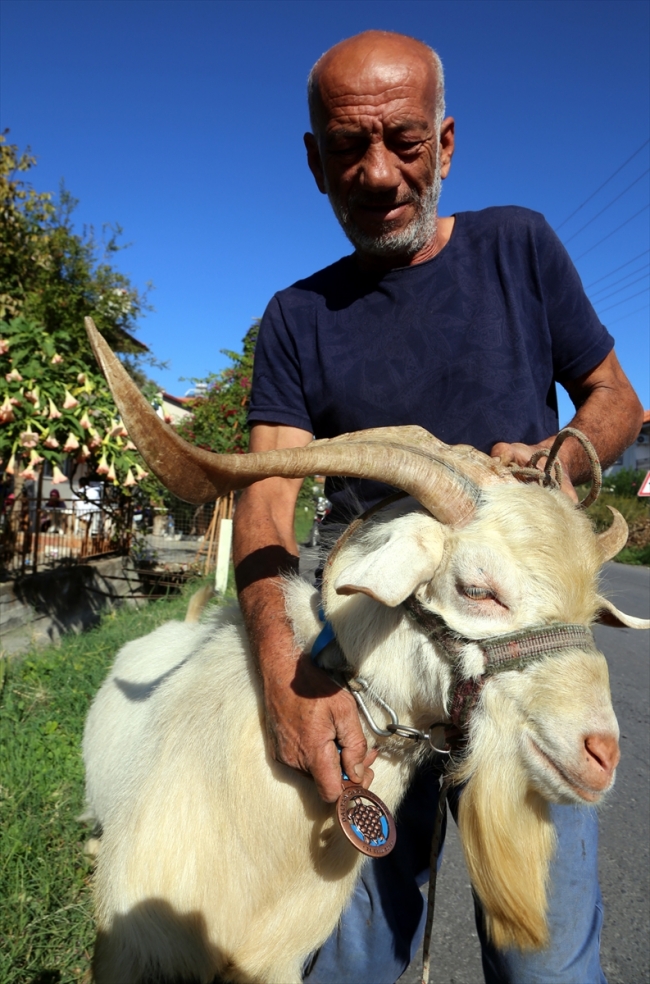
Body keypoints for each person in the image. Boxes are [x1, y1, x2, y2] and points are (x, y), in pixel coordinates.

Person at [232, 30, 643, 984]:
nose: (378, 174)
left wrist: (565, 458)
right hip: (376, 669)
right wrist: (286, 672)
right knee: (353, 960)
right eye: (348, 147)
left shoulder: (518, 247)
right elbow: (266, 501)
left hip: (521, 649)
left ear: (446, 144)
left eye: (405, 141)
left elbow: (615, 397)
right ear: (314, 162)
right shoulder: (296, 317)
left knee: (545, 963)